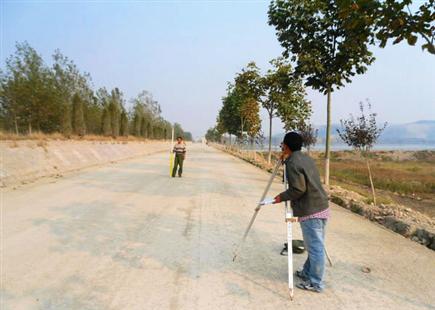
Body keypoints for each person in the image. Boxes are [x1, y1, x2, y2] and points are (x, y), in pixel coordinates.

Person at [273, 132, 329, 293]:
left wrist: (280, 197)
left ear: (286, 146)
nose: (281, 147)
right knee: (315, 245)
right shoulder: (306, 158)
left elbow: (298, 189)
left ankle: (316, 283)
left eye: (283, 145)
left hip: (311, 210)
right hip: (322, 206)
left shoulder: (293, 163)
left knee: (315, 248)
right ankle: (307, 273)